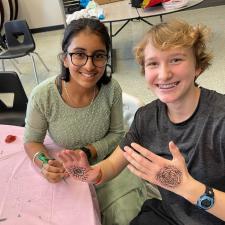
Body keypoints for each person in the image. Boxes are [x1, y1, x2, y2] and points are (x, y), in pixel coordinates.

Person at [57, 18, 225, 225]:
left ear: (198, 66)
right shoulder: (146, 117)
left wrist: (186, 187)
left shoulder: (220, 119)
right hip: (169, 215)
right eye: (153, 63)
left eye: (176, 60)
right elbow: (113, 164)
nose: (164, 74)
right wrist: (93, 174)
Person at [23, 18, 147, 225]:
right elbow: (31, 140)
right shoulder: (43, 96)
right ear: (64, 58)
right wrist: (45, 164)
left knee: (123, 216)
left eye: (98, 56)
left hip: (109, 163)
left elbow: (117, 135)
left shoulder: (111, 89)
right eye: (79, 55)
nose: (89, 66)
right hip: (67, 171)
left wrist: (86, 152)